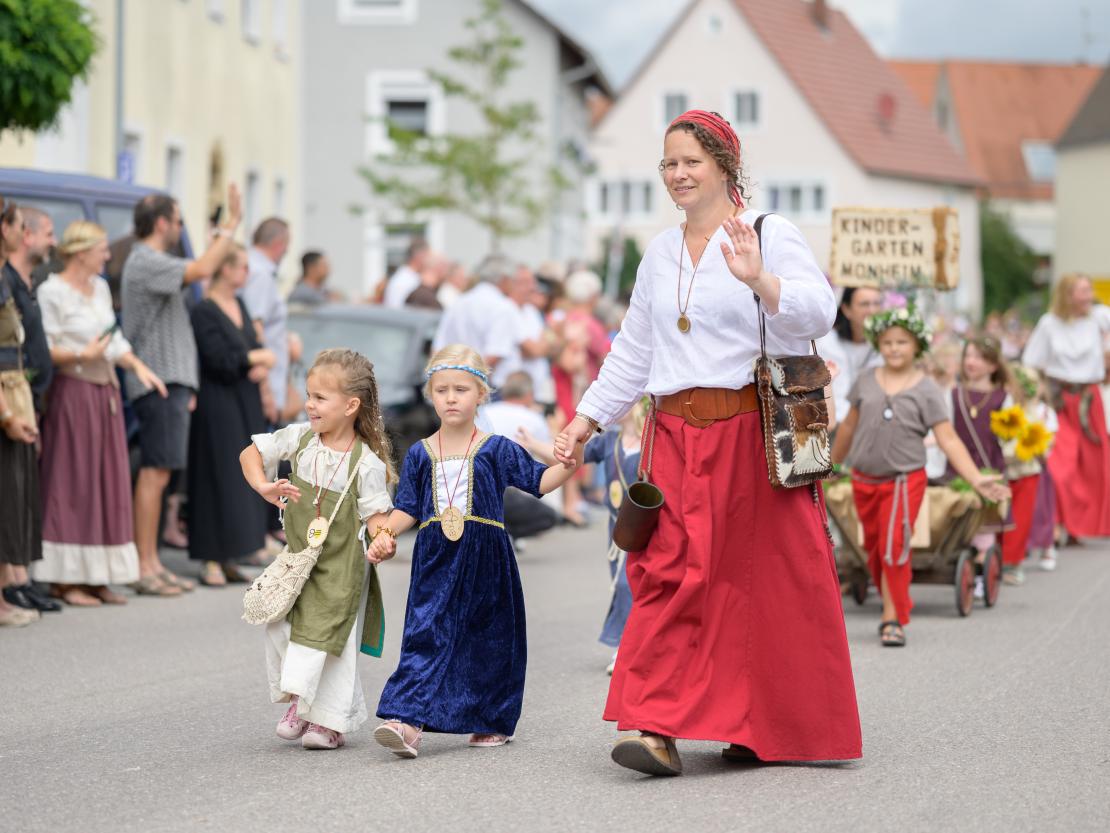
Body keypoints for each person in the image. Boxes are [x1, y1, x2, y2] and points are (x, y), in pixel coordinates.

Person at [554, 110, 859, 776]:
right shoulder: (660, 251)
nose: (679, 174)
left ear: (725, 164)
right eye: (669, 163)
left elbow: (819, 312)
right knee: (665, 574)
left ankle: (754, 722)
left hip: (750, 434)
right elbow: (634, 350)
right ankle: (655, 724)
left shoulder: (769, 233)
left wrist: (760, 279)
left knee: (753, 585)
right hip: (672, 436)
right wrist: (586, 420)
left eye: (691, 160)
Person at [367, 345, 584, 758]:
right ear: (431, 394)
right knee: (425, 632)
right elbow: (408, 508)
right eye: (442, 389)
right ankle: (405, 720)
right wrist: (384, 534)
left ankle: (490, 718)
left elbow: (540, 481)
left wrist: (570, 463)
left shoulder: (497, 448)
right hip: (435, 558)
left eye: (461, 389)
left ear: (481, 394)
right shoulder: (419, 453)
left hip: (487, 557)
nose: (451, 398)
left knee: (490, 637)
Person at [240, 348, 395, 750]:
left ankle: (330, 721)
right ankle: (301, 699)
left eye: (320, 398)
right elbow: (251, 453)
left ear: (350, 405)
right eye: (309, 395)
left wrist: (383, 538)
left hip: (342, 566)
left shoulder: (366, 464)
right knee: (279, 624)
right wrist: (263, 485)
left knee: (331, 641)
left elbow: (378, 516)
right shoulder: (302, 439)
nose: (309, 404)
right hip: (298, 560)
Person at [832, 307, 1010, 647]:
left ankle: (891, 617)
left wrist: (976, 478)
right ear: (878, 344)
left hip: (904, 480)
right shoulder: (865, 380)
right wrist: (833, 465)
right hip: (863, 479)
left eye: (902, 342)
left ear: (917, 346)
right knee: (871, 547)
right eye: (887, 342)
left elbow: (948, 438)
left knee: (894, 547)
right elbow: (849, 427)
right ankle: (894, 600)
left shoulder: (927, 389)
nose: (894, 348)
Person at [33, 222, 165, 606]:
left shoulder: (101, 288)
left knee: (105, 482)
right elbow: (46, 347)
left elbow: (113, 339)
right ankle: (64, 579)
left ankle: (98, 576)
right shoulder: (52, 291)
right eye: (102, 249)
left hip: (104, 392)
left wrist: (138, 367)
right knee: (72, 482)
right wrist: (82, 356)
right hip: (72, 393)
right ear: (80, 252)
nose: (108, 256)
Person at [121, 184, 243, 597]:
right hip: (155, 380)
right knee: (154, 474)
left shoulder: (154, 260)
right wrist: (229, 228)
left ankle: (152, 561)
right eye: (177, 220)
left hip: (171, 382)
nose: (179, 228)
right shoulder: (145, 260)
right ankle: (144, 564)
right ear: (160, 223)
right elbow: (202, 270)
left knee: (164, 474)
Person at [188, 245, 275, 587]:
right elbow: (220, 358)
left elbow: (248, 348)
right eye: (241, 267)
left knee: (245, 472)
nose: (247, 274)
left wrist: (257, 363)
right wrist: (258, 358)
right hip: (218, 400)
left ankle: (232, 554)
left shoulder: (239, 304)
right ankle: (210, 556)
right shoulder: (203, 310)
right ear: (225, 270)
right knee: (217, 474)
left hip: (245, 398)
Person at [1, 202, 59, 615]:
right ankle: (9, 583)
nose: (24, 234)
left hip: (20, 390)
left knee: (19, 491)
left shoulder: (16, 278)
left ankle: (17, 577)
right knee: (9, 489)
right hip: (8, 391)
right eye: (19, 226)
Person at [1022, 273, 1110, 541]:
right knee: (1061, 465)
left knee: (1093, 466)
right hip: (1059, 399)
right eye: (1081, 291)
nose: (1087, 296)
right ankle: (1058, 522)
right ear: (1067, 295)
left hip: (1088, 398)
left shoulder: (1099, 317)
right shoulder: (1049, 324)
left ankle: (1080, 526)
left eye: (1088, 290)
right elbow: (1030, 363)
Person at [582, 400, 646, 675]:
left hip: (646, 525)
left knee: (628, 585)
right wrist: (535, 443)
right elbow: (571, 456)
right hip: (616, 528)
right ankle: (629, 646)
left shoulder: (653, 440)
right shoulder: (609, 441)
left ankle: (627, 648)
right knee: (623, 586)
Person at [482, 370, 561, 540]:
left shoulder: (484, 412)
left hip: (478, 486)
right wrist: (555, 429)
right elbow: (554, 462)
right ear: (529, 395)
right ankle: (506, 532)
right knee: (550, 516)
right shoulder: (533, 418)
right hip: (509, 491)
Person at [999, 365, 1056, 584]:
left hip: (1027, 470)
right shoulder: (1005, 405)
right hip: (1002, 469)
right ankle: (993, 558)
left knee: (1020, 519)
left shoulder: (1042, 412)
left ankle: (1013, 562)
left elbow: (1046, 445)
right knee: (997, 517)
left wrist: (1032, 445)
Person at [432, 255, 520, 376]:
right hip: (485, 386)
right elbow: (494, 355)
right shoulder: (503, 306)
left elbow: (438, 348)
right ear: (504, 279)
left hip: (455, 382)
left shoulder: (459, 302)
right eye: (513, 280)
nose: (513, 285)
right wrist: (466, 381)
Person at [242, 218, 291, 426]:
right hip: (262, 388)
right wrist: (267, 393)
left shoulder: (249, 266)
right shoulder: (261, 274)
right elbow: (255, 330)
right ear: (279, 244)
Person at [818, 286, 884, 424]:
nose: (872, 310)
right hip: (835, 426)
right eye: (864, 304)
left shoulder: (886, 345)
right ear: (847, 309)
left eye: (876, 304)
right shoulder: (826, 343)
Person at [383, 238, 429, 309]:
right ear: (420, 256)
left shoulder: (410, 277)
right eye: (427, 255)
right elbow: (396, 309)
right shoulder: (403, 280)